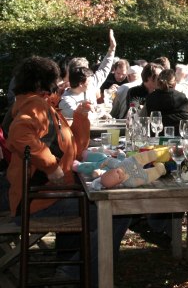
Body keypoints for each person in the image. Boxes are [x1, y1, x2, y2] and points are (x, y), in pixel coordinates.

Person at [5, 56, 130, 287]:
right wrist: (51, 166)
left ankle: (77, 266)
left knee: (111, 208)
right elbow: (20, 134)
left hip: (51, 195)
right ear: (45, 82)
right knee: (116, 211)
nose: (63, 81)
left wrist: (81, 116)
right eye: (58, 78)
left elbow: (75, 148)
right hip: (39, 201)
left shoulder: (46, 106)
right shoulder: (35, 106)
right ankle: (90, 272)